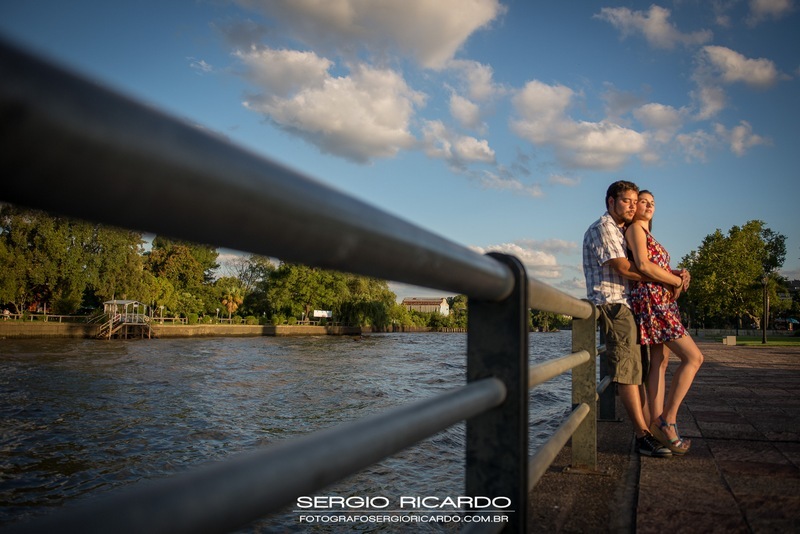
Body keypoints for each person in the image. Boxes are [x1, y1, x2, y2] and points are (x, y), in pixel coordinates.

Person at [583, 180, 671, 458]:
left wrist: (673, 274)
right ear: (611, 202)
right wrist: (664, 278)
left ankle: (649, 429)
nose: (633, 206)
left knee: (640, 369)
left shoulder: (624, 230)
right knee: (628, 370)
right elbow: (623, 268)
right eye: (626, 201)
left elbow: (643, 264)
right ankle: (641, 436)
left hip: (632, 305)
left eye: (636, 201)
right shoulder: (604, 228)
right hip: (614, 304)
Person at [625, 190, 703, 455]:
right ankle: (667, 421)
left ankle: (656, 421)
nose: (648, 206)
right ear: (634, 208)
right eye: (642, 202)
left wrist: (678, 273)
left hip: (662, 302)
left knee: (661, 361)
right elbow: (644, 266)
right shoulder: (635, 229)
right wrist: (675, 280)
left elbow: (655, 267)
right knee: (694, 358)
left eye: (652, 203)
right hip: (652, 303)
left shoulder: (648, 234)